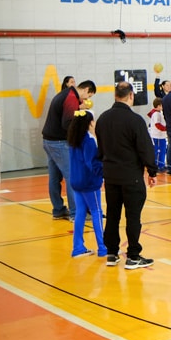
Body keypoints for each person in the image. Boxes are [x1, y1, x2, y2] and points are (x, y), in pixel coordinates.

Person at [96, 82, 157, 269]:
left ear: (115, 95)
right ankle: (133, 255)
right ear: (131, 96)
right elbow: (145, 148)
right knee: (133, 217)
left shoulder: (102, 119)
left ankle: (112, 253)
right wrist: (152, 171)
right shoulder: (135, 120)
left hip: (111, 176)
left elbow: (100, 148)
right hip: (132, 176)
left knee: (113, 215)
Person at [42, 79, 96, 220]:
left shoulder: (67, 94)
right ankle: (76, 213)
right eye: (89, 95)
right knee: (72, 176)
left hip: (49, 140)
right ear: (86, 90)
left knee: (54, 177)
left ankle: (58, 210)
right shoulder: (71, 98)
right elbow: (67, 123)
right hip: (59, 143)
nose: (87, 99)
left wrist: (79, 108)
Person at [67, 110, 105, 258]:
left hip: (76, 181)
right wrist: (103, 173)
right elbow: (92, 163)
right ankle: (103, 247)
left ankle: (77, 247)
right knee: (96, 211)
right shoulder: (88, 140)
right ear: (89, 123)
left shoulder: (73, 139)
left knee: (80, 212)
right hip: (89, 183)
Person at [147, 98, 167, 172]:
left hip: (161, 136)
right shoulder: (156, 114)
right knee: (158, 151)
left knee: (162, 151)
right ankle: (157, 166)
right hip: (157, 136)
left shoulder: (159, 113)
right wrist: (166, 128)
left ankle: (161, 164)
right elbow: (157, 125)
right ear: (158, 106)